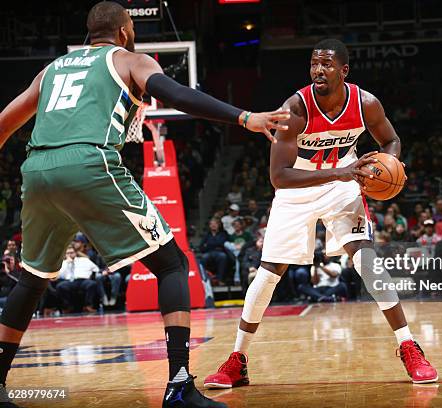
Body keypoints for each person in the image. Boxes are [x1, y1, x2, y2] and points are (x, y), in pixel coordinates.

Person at [0, 2, 290, 406]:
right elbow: (177, 93)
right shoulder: (129, 60)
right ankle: (179, 386)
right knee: (171, 263)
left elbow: (3, 124)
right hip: (88, 163)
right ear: (123, 31)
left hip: (37, 169)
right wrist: (244, 118)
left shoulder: (52, 70)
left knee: (32, 279)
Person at [204, 39, 437, 389]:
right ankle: (237, 360)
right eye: (314, 64)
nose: (318, 70)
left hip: (344, 183)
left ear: (344, 70)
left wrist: (386, 164)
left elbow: (390, 140)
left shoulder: (366, 104)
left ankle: (408, 346)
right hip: (298, 187)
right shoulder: (294, 109)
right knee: (268, 274)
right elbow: (279, 176)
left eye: (326, 64)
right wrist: (339, 174)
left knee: (367, 261)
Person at [56, 246, 99, 313]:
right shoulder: (63, 263)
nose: (70, 254)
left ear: (75, 253)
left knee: (92, 284)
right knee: (60, 286)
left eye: (71, 252)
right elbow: (59, 275)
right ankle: (68, 307)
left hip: (83, 280)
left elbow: (96, 269)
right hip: (69, 281)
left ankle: (88, 306)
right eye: (68, 253)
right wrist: (67, 263)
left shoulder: (84, 260)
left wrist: (91, 273)